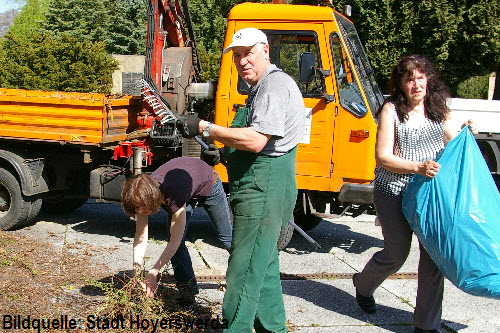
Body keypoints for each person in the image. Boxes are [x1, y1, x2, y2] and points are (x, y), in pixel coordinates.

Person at [178, 27, 305, 332]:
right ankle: (273, 328)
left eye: (248, 53)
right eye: (237, 56)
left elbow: (257, 141)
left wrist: (206, 128)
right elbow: (253, 140)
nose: (242, 61)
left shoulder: (274, 86)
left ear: (265, 51)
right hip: (262, 184)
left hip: (266, 187)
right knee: (263, 264)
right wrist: (222, 155)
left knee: (244, 267)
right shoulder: (260, 88)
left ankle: (235, 327)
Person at [352, 55, 476, 333]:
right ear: (402, 83)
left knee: (433, 258)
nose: (416, 84)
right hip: (393, 191)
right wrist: (417, 167)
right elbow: (383, 157)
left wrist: (467, 133)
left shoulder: (438, 108)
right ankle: (363, 284)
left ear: (428, 80)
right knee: (397, 253)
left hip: (428, 195)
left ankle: (426, 326)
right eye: (410, 79)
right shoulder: (391, 110)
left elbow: (452, 141)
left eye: (421, 77)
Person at [120, 156, 232, 305]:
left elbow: (175, 240)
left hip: (207, 182)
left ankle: (244, 279)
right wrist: (136, 273)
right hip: (185, 185)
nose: (140, 211)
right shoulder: (142, 194)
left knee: (226, 238)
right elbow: (140, 236)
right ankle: (188, 292)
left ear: (154, 199)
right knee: (177, 246)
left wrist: (153, 272)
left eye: (143, 209)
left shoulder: (173, 196)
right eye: (137, 209)